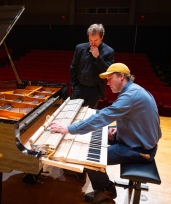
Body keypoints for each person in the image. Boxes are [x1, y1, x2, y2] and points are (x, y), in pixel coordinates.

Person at [50, 63, 162, 204]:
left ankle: (106, 189)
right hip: (138, 139)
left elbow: (103, 116)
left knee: (89, 159)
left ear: (121, 76)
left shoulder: (131, 96)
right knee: (96, 135)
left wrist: (68, 129)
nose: (107, 83)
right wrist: (119, 129)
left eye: (110, 78)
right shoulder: (135, 90)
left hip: (140, 149)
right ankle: (85, 173)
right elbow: (134, 119)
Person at [70, 23, 114, 109]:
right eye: (90, 40)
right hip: (79, 87)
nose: (92, 43)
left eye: (96, 40)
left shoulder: (109, 51)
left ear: (102, 38)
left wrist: (98, 57)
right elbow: (73, 67)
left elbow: (108, 71)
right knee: (73, 111)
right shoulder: (80, 48)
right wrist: (74, 84)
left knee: (88, 115)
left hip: (95, 90)